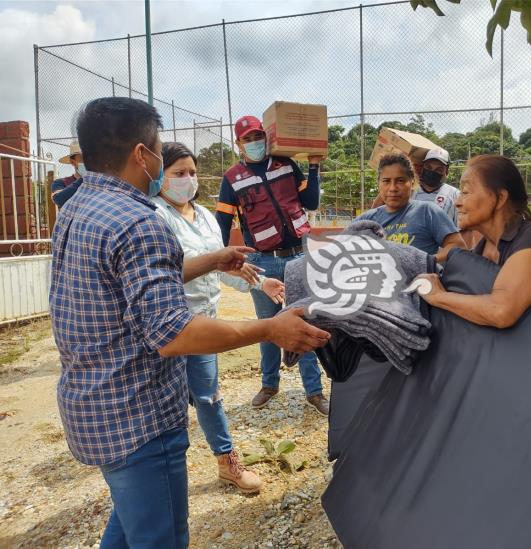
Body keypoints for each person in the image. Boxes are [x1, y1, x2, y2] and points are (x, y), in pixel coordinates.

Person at [50, 97, 330, 548]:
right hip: (137, 415)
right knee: (160, 537)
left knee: (130, 524)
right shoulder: (139, 220)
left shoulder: (79, 208)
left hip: (93, 406)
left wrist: (212, 260)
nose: (168, 166)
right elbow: (174, 333)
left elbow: (127, 282)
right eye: (161, 151)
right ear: (143, 155)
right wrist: (268, 329)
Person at [153, 142, 286, 494]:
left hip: (204, 322)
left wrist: (261, 281)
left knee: (208, 394)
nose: (188, 180)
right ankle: (164, 473)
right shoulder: (154, 216)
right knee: (166, 402)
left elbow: (223, 266)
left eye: (193, 173)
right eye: (179, 173)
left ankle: (227, 462)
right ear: (160, 176)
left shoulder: (207, 218)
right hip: (166, 321)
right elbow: (160, 272)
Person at [215, 115, 329, 415]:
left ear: (265, 136)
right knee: (266, 328)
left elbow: (312, 202)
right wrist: (221, 258)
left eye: (257, 136)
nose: (254, 143)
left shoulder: (286, 164)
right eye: (247, 139)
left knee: (303, 324)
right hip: (262, 262)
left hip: (298, 257)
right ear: (238, 144)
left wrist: (314, 166)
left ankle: (314, 391)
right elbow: (222, 224)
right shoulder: (232, 179)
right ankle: (269, 384)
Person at [415, 155, 531, 326]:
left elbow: (501, 310)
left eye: (465, 192)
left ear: (500, 198)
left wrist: (437, 295)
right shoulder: (478, 251)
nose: (457, 203)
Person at [355, 153, 465, 262]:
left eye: (400, 181)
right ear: (378, 183)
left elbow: (458, 245)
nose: (393, 188)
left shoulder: (427, 212)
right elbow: (341, 248)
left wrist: (427, 261)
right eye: (386, 181)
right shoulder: (366, 220)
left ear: (412, 182)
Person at [411, 147, 460, 226]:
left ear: (446, 172)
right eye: (428, 167)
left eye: (439, 170)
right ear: (423, 168)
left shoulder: (455, 195)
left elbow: (463, 229)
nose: (432, 172)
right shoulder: (410, 191)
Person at [51, 140, 84, 207]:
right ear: (72, 162)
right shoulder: (61, 183)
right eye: (82, 159)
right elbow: (60, 199)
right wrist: (85, 178)